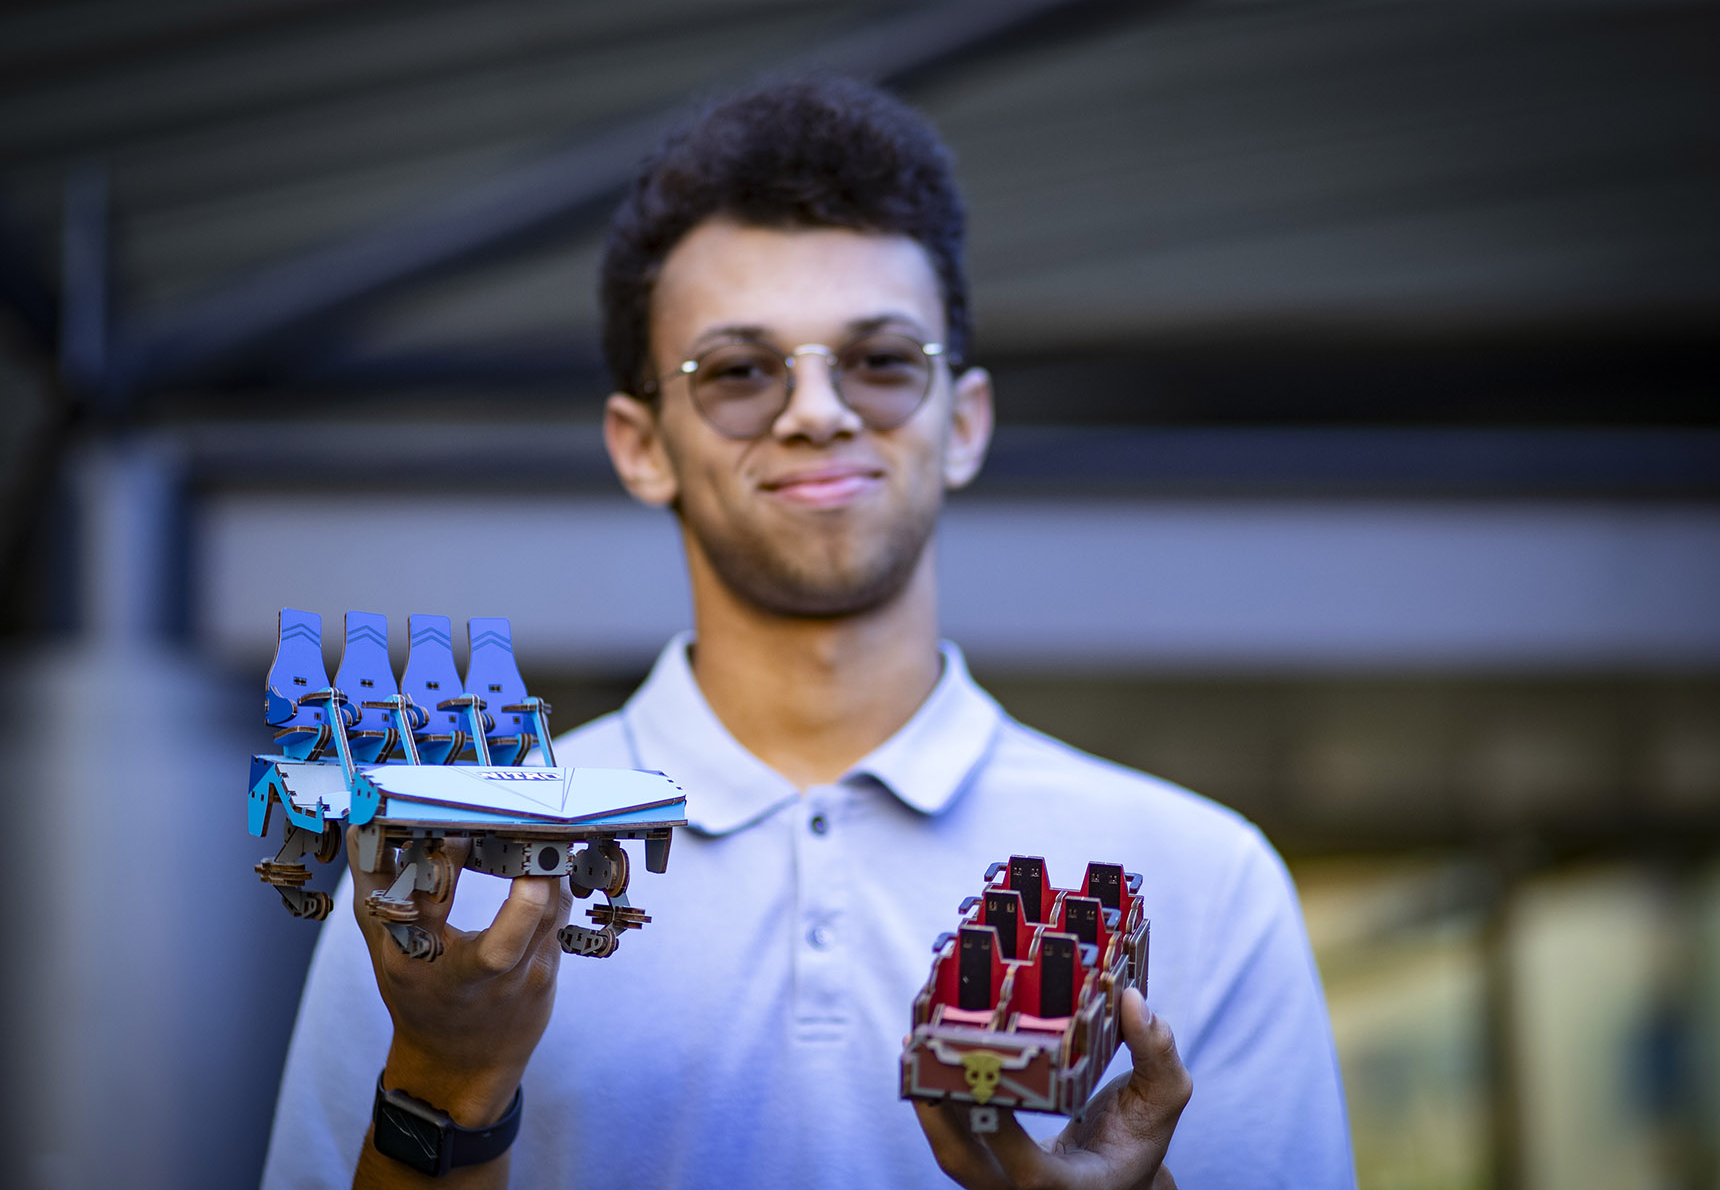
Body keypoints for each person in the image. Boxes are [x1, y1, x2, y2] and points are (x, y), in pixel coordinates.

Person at [262, 76, 1354, 1190]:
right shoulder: (447, 884)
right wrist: (447, 1083)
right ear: (641, 445)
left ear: (964, 421)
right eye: (739, 372)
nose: (818, 411)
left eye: (882, 362)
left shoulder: (1207, 881)